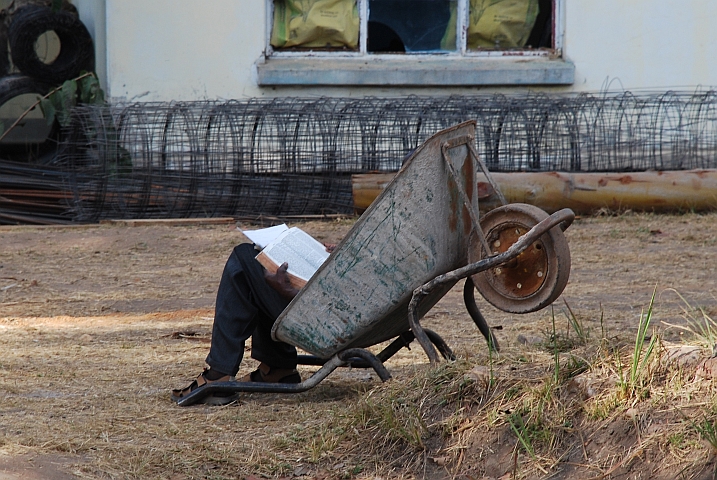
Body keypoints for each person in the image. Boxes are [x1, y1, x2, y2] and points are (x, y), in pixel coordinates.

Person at [171, 241, 334, 405]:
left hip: (328, 320)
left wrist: (291, 292)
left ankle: (219, 374)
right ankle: (277, 367)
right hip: (340, 316)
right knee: (262, 257)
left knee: (245, 257)